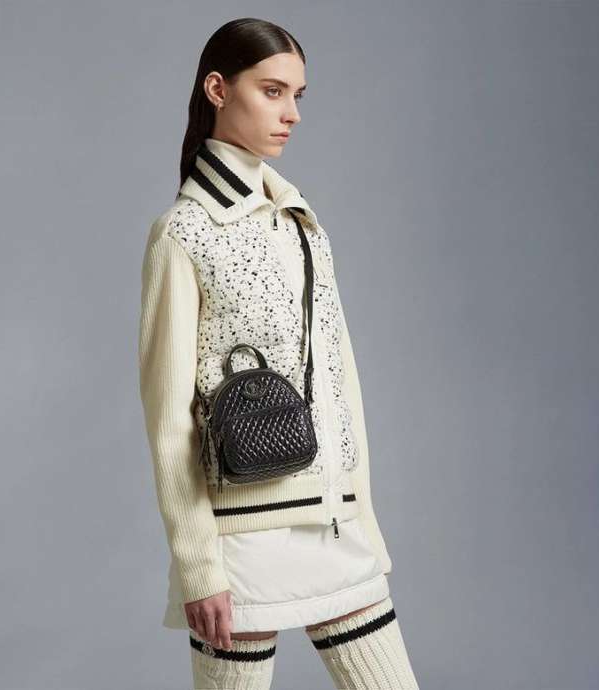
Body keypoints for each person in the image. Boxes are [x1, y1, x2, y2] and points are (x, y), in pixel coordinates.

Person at [138, 17, 420, 690]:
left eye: (297, 95)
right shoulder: (185, 232)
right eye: (272, 91)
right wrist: (198, 568)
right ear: (217, 89)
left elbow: (340, 381)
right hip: (240, 538)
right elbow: (169, 419)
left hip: (334, 521)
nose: (291, 113)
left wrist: (362, 515)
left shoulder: (300, 221)